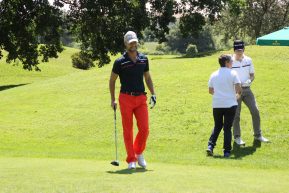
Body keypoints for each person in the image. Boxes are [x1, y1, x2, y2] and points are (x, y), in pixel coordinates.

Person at [109, 31, 156, 169]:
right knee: (128, 130)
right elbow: (112, 81)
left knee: (144, 129)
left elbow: (147, 77)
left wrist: (153, 93)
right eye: (130, 43)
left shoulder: (143, 59)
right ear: (126, 44)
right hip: (125, 98)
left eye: (134, 42)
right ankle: (131, 160)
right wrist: (112, 99)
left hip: (141, 97)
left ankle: (138, 152)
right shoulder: (120, 62)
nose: (133, 44)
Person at [232, 40, 269, 145]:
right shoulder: (230, 61)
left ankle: (258, 135)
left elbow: (252, 74)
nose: (240, 53)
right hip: (235, 91)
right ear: (234, 50)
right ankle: (237, 137)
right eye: (237, 50)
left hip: (247, 89)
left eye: (241, 50)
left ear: (244, 49)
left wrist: (250, 80)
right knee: (236, 115)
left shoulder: (248, 60)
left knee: (255, 110)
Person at [207, 54, 242, 158]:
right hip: (230, 104)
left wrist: (220, 95)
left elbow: (210, 91)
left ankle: (210, 146)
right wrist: (236, 97)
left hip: (217, 104)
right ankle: (226, 151)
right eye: (231, 61)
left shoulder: (213, 74)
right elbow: (239, 89)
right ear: (226, 62)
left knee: (217, 126)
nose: (232, 63)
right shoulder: (233, 73)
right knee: (227, 128)